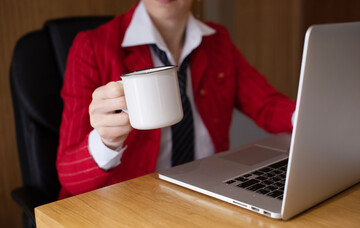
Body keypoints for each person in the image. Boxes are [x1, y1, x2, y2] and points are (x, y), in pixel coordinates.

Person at [57, 0, 296, 199]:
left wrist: (316, 119)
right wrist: (105, 142)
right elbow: (69, 176)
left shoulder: (218, 41)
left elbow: (268, 105)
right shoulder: (92, 47)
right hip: (131, 203)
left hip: (208, 192)